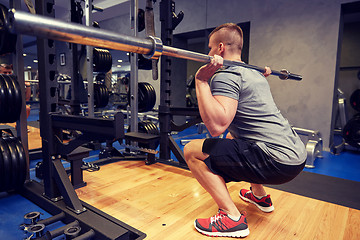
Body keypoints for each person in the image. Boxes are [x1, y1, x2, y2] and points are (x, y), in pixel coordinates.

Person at [183, 23, 307, 238]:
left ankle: (231, 218)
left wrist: (201, 80)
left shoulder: (227, 75)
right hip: (296, 155)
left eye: (210, 48)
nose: (208, 53)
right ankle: (259, 196)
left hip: (276, 160)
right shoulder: (255, 75)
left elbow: (216, 127)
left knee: (192, 150)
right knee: (234, 136)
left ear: (220, 48)